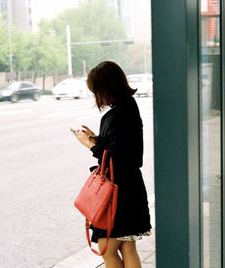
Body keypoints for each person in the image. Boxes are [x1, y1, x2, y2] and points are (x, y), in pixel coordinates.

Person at [74, 61, 152, 268]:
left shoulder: (117, 115)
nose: (96, 96)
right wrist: (97, 139)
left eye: (96, 91)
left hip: (118, 192)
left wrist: (89, 145)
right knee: (127, 247)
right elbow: (122, 146)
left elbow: (116, 157)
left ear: (105, 88)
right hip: (130, 186)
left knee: (105, 247)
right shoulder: (128, 107)